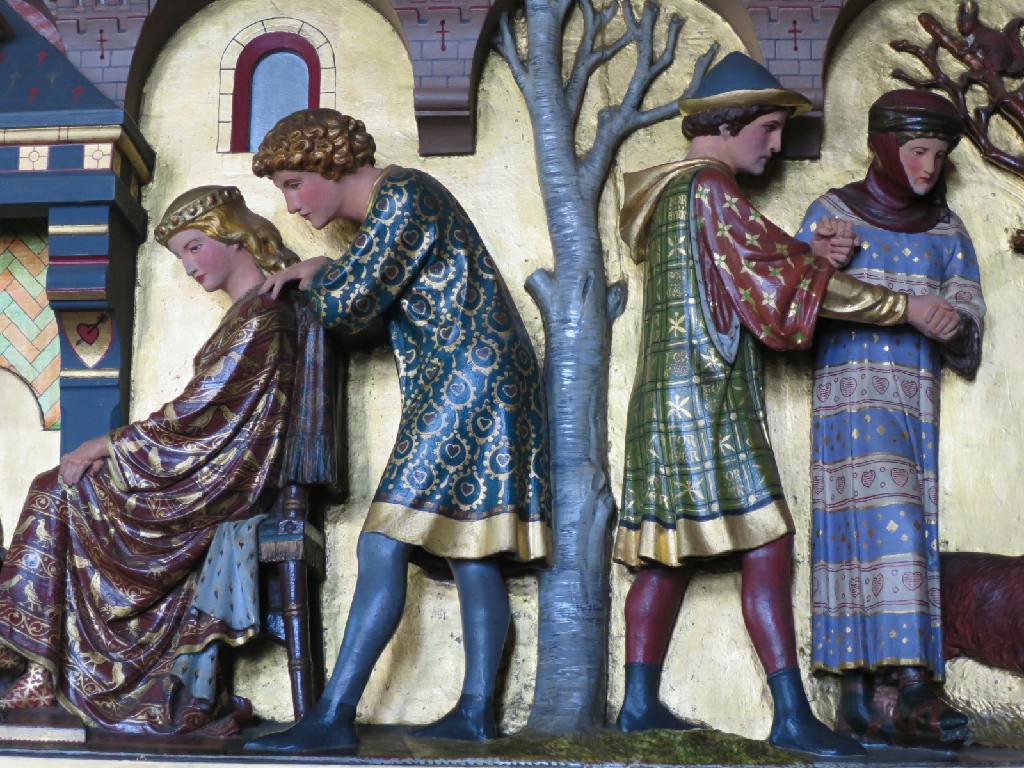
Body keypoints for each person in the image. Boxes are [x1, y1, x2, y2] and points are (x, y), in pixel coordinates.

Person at [613, 52, 960, 757]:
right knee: (768, 544)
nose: (775, 145)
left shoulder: (673, 192)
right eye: (768, 128)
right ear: (727, 123)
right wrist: (905, 307)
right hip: (708, 395)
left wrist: (812, 259)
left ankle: (638, 707)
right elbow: (774, 284)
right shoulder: (710, 189)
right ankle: (792, 715)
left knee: (666, 553)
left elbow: (767, 273)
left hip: (665, 398)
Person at [245, 108, 550, 754]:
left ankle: (334, 716)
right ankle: (476, 712)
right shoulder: (397, 204)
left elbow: (348, 305)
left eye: (295, 183)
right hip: (478, 377)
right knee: (471, 549)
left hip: (467, 379)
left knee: (383, 542)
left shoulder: (402, 196)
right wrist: (329, 271)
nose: (292, 204)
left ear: (330, 162)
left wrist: (319, 274)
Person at [0, 185, 309, 734]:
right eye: (181, 255)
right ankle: (39, 667)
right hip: (204, 466)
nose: (189, 266)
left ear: (232, 235)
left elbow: (198, 414)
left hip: (221, 479)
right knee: (60, 488)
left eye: (194, 247)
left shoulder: (263, 316)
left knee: (56, 489)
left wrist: (106, 444)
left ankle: (38, 668)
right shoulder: (247, 314)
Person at [797, 89, 984, 746]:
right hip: (849, 406)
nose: (929, 167)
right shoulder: (834, 215)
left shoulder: (946, 231)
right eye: (917, 151)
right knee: (885, 524)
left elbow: (968, 318)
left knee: (905, 522)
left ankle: (879, 695)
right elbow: (788, 300)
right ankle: (897, 685)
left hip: (913, 412)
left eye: (939, 154)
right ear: (882, 146)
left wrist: (955, 323)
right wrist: (818, 261)